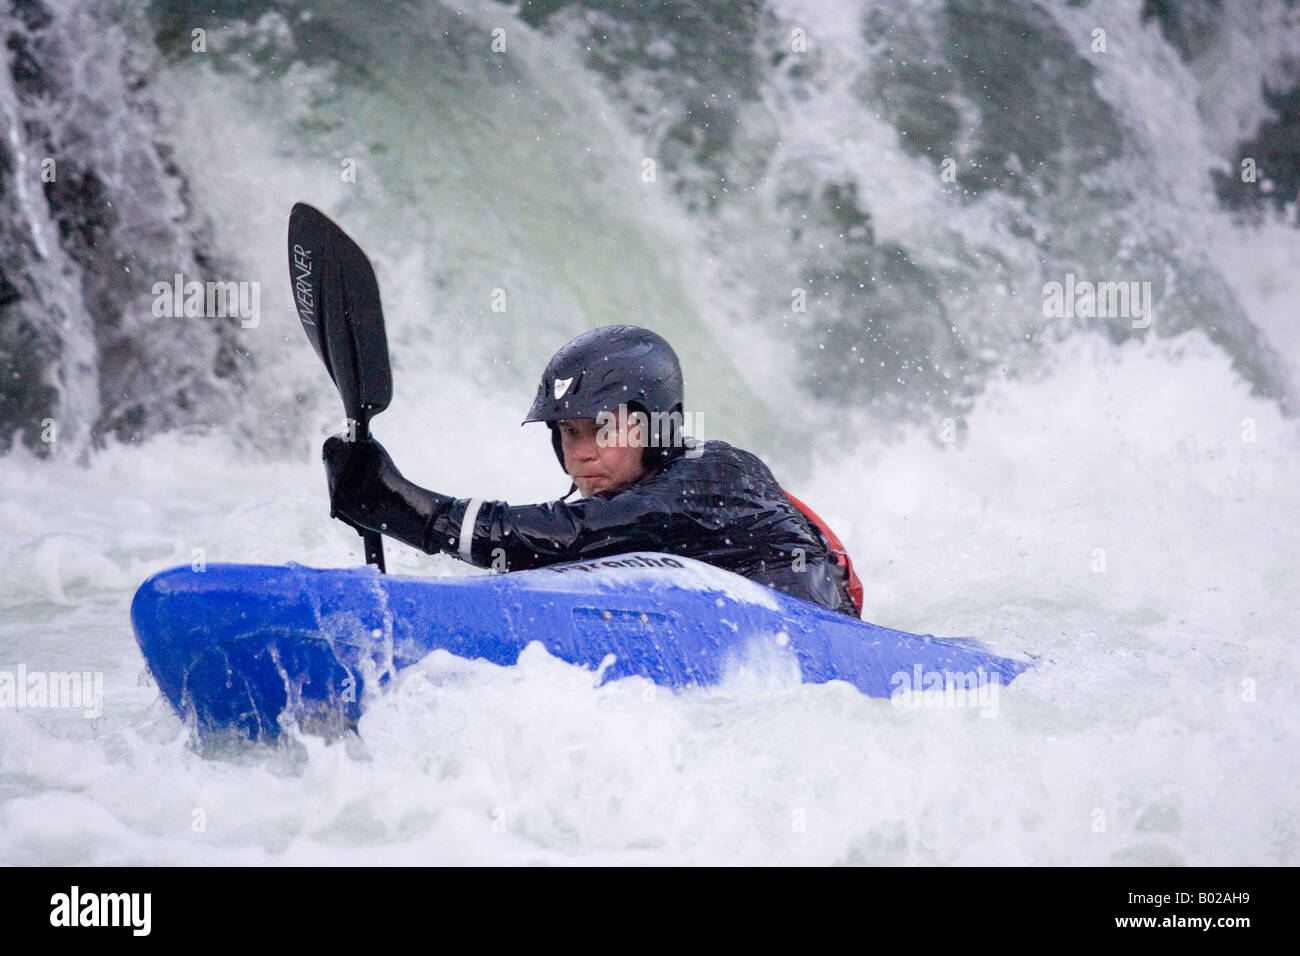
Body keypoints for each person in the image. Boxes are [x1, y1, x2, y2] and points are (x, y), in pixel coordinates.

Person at [323, 325, 863, 616]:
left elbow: (566, 537)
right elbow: (543, 548)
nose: (580, 452)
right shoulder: (625, 507)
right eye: (568, 433)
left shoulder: (714, 475)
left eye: (601, 429)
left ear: (654, 428)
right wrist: (383, 506)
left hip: (825, 651)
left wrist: (402, 504)